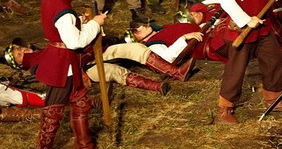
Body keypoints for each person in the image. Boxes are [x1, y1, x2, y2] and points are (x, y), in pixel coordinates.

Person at [32, 0, 115, 149]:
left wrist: (82, 19)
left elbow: (63, 25)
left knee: (81, 104)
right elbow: (75, 41)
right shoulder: (63, 8)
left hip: (66, 63)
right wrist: (95, 24)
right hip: (62, 66)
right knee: (53, 113)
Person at [7, 38, 171, 100]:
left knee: (134, 48)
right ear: (19, 65)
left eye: (20, 49)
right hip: (83, 70)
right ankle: (155, 86)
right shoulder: (36, 68)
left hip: (89, 53)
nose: (23, 51)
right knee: (113, 71)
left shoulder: (44, 48)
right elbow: (62, 72)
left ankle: (173, 71)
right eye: (19, 55)